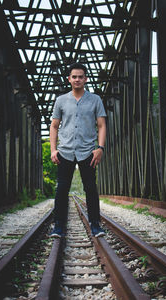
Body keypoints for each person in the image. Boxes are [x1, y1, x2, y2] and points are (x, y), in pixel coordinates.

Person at [49, 62, 107, 238]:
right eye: (74, 76)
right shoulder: (61, 100)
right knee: (62, 189)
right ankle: (58, 226)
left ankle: (95, 225)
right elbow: (54, 126)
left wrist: (100, 148)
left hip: (87, 150)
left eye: (81, 76)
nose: (77, 79)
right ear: (69, 79)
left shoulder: (95, 99)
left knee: (90, 188)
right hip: (65, 150)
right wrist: (53, 150)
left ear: (86, 79)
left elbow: (102, 124)